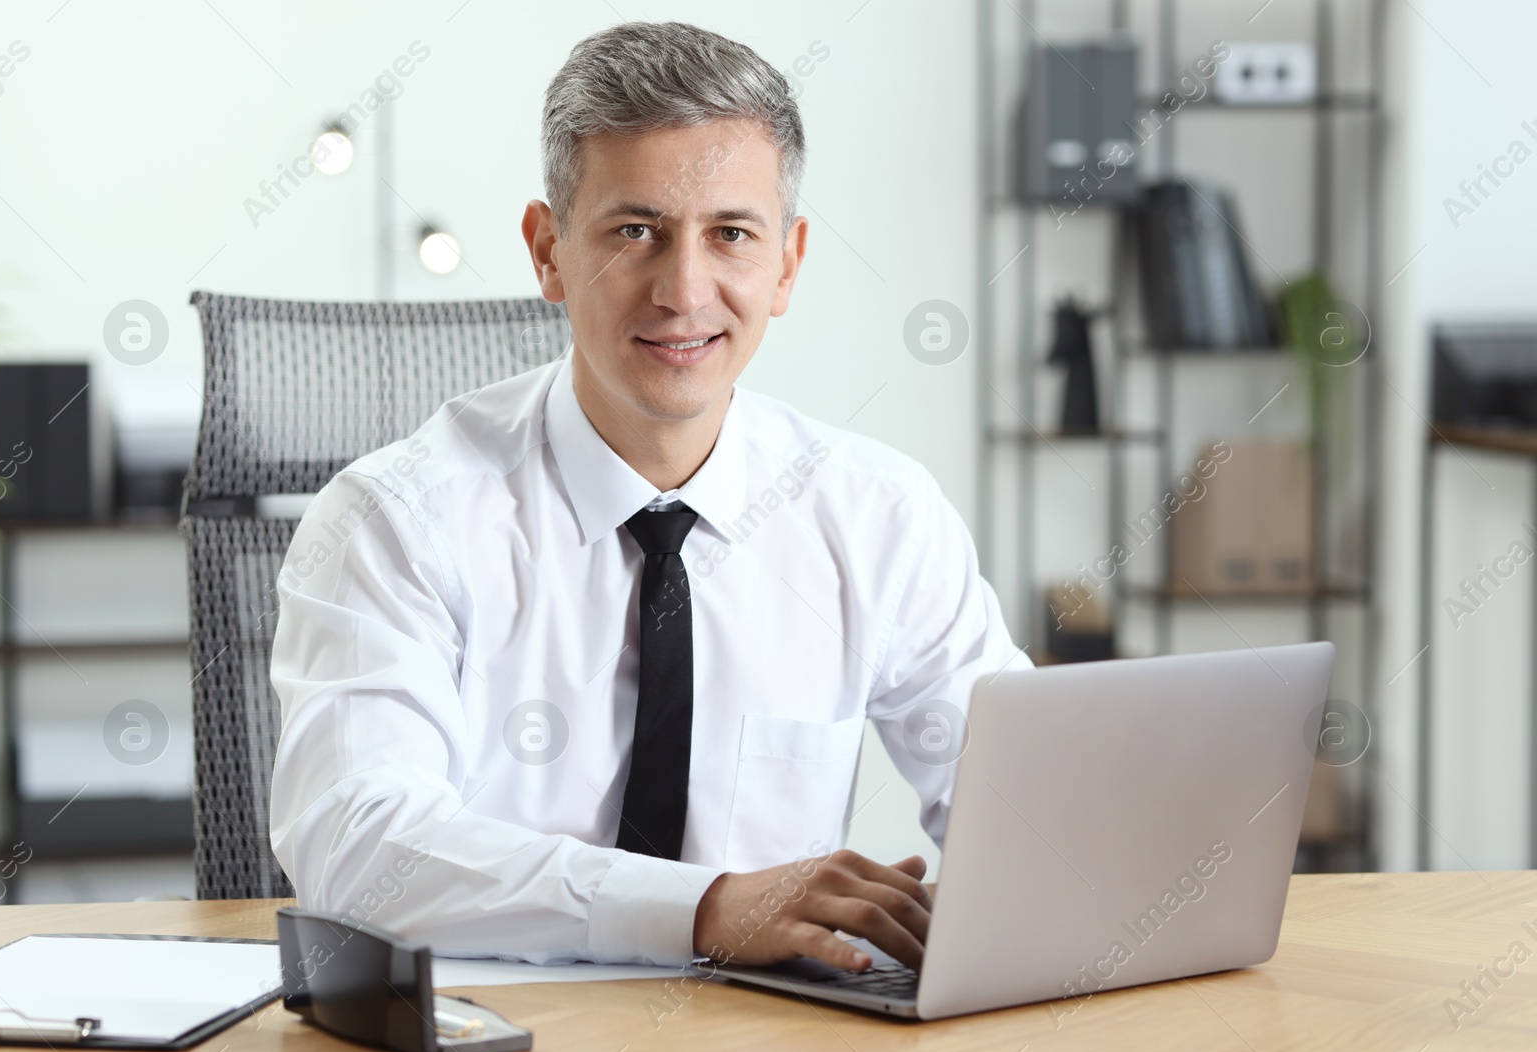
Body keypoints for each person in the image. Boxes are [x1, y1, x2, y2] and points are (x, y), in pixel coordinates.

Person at [269, 20, 1029, 974]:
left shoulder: (878, 514)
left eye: (731, 235)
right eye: (636, 232)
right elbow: (356, 844)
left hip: (770, 1039)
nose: (684, 289)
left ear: (787, 263)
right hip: (499, 1028)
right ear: (548, 251)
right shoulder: (394, 519)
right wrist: (703, 907)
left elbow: (1022, 802)